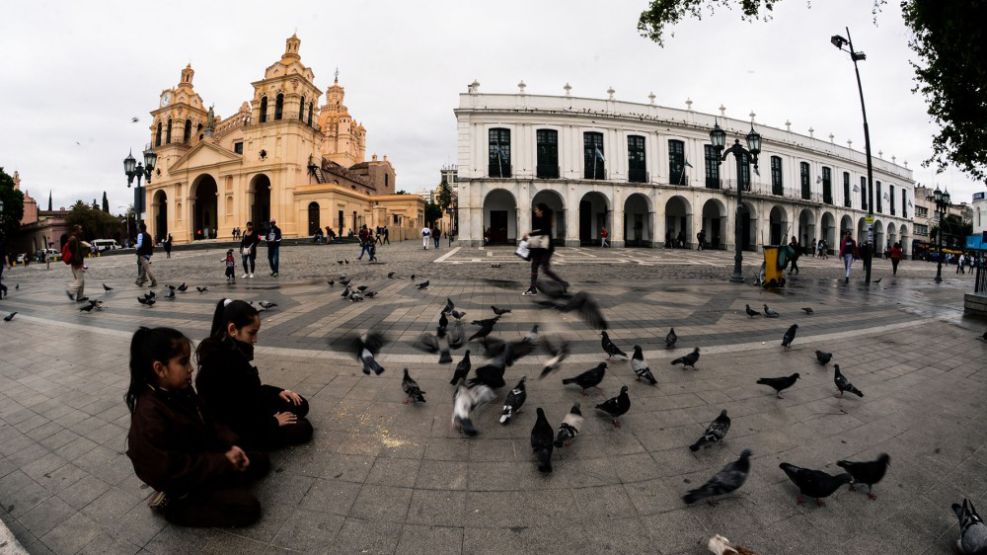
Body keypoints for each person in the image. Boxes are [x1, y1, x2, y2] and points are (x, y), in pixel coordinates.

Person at [125, 326, 269, 528]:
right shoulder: (149, 416)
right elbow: (174, 470)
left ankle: (219, 482)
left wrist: (231, 446)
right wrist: (222, 462)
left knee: (260, 461)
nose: (191, 368)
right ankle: (173, 508)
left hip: (202, 456)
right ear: (160, 368)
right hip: (181, 481)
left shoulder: (179, 388)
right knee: (247, 508)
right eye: (183, 362)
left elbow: (209, 419)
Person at [195, 300, 313, 450]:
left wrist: (279, 392)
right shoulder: (221, 361)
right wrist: (274, 421)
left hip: (249, 410)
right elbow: (237, 413)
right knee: (303, 428)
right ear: (233, 329)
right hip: (239, 427)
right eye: (252, 333)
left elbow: (250, 393)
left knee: (299, 403)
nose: (255, 339)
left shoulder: (230, 349)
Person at [522, 203, 569, 296]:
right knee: (534, 265)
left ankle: (563, 283)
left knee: (545, 269)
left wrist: (530, 234)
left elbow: (545, 231)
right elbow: (540, 231)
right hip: (539, 247)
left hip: (546, 248)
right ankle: (532, 288)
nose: (535, 211)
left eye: (537, 210)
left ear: (541, 211)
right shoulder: (540, 219)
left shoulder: (546, 220)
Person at [64, 225, 87, 302]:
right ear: (76, 230)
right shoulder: (73, 239)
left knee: (81, 280)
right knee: (80, 280)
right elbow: (74, 253)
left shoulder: (76, 238)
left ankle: (80, 297)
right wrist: (78, 262)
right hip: (76, 263)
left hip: (77, 262)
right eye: (80, 229)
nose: (81, 231)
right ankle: (71, 291)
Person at [135, 223, 158, 288]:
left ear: (140, 228)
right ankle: (139, 281)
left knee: (147, 269)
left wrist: (135, 246)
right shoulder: (149, 235)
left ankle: (154, 281)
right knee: (143, 268)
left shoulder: (140, 234)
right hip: (148, 254)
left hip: (143, 254)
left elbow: (139, 244)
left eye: (138, 228)